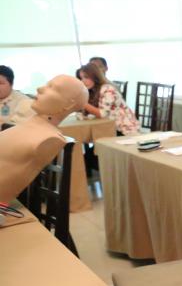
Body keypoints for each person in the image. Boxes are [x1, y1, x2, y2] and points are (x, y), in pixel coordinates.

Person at [0, 75, 87, 204]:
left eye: (52, 88)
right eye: (46, 84)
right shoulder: (30, 125)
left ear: (69, 104)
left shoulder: (49, 138)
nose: (40, 89)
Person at [76, 63, 140, 135]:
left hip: (124, 130)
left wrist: (83, 103)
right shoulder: (92, 91)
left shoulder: (108, 89)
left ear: (95, 76)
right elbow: (85, 113)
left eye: (86, 77)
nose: (83, 81)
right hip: (108, 128)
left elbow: (102, 114)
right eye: (81, 78)